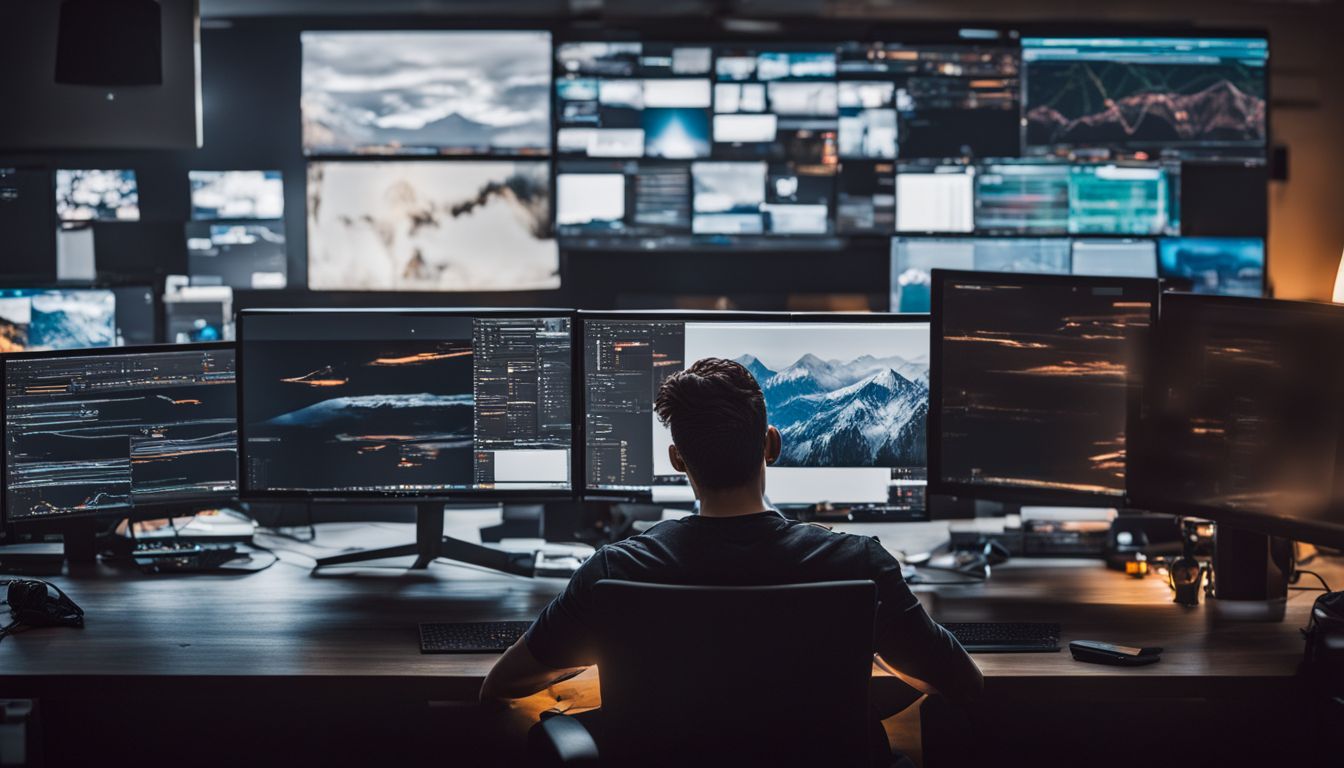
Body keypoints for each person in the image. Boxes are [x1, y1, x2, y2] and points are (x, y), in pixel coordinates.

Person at [480, 357, 983, 744]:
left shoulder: (616, 572)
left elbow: (501, 686)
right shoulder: (859, 565)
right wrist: (861, 646)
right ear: (771, 445)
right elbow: (963, 683)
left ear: (678, 460)